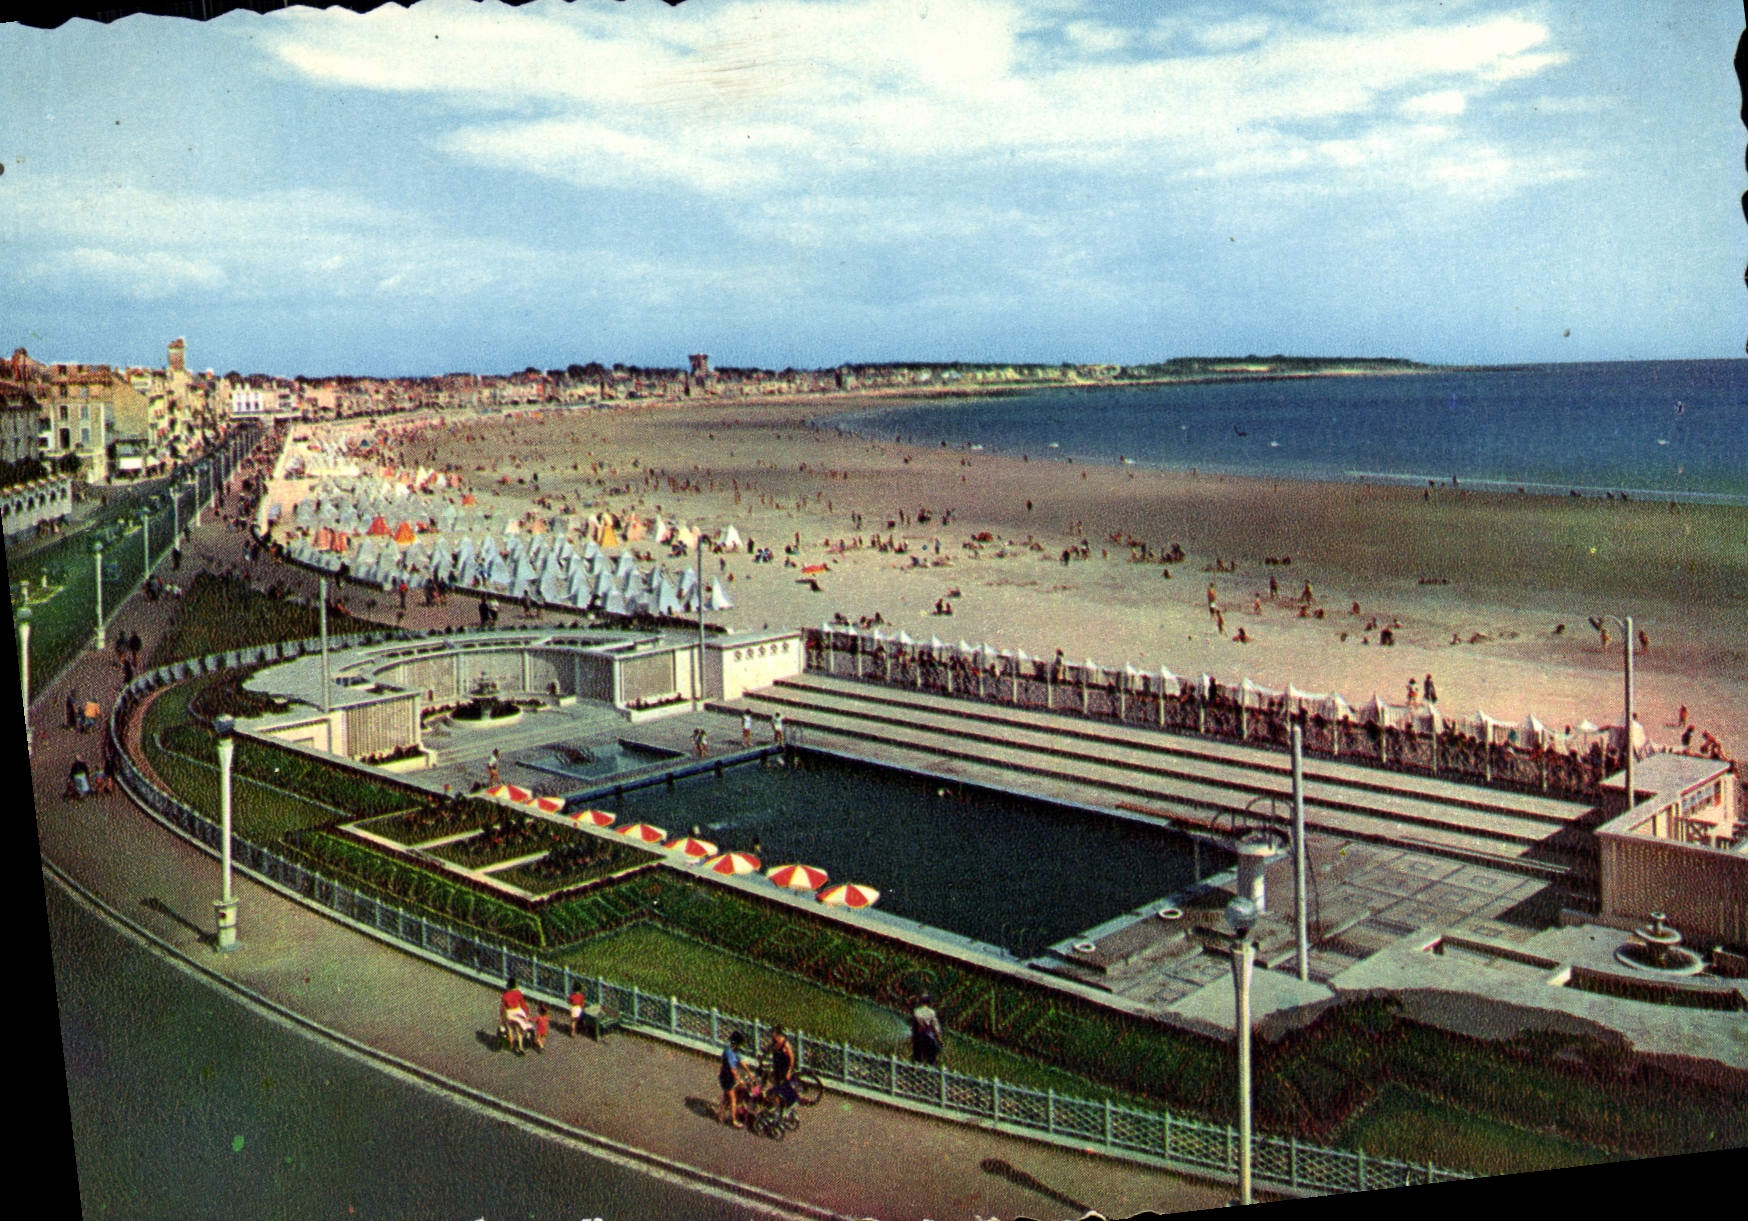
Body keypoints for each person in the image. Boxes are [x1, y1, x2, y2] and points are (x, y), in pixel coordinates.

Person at [716, 1031, 751, 1127]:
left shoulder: (735, 1051)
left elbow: (741, 1061)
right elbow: (733, 1070)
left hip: (728, 1077)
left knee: (726, 1097)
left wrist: (749, 1073)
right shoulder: (729, 1052)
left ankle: (720, 1115)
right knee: (733, 1099)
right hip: (727, 1077)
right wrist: (739, 1080)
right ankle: (733, 1120)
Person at [910, 995, 943, 1065]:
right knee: (933, 1054)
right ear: (929, 1002)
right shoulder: (931, 1012)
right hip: (928, 1036)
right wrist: (939, 1037)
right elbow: (936, 1026)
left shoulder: (916, 1011)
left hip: (918, 1037)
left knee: (916, 1056)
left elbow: (913, 1025)